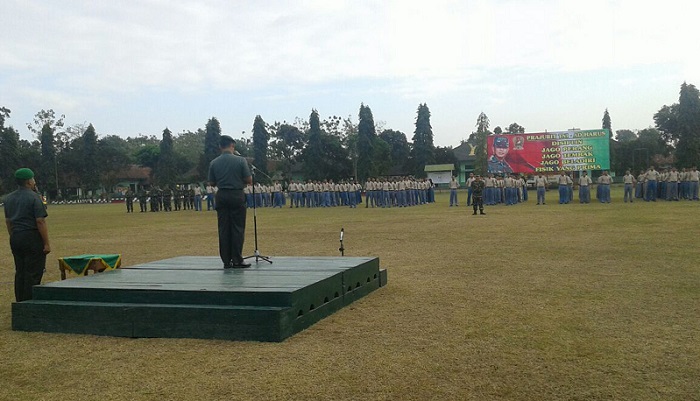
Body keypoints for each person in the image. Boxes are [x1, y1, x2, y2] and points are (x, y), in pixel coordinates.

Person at [4, 168, 51, 302]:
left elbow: (8, 221)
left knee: (20, 272)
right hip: (32, 237)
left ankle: (20, 301)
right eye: (33, 179)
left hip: (16, 237)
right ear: (29, 182)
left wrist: (13, 236)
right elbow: (40, 221)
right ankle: (29, 304)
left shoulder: (9, 198)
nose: (34, 182)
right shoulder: (34, 197)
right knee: (33, 272)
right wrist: (46, 243)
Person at [208, 135, 252, 269]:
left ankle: (226, 261)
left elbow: (211, 182)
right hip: (236, 195)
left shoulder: (214, 163)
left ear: (220, 147)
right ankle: (237, 259)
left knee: (223, 228)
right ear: (232, 146)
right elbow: (249, 180)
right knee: (237, 228)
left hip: (221, 195)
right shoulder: (240, 161)